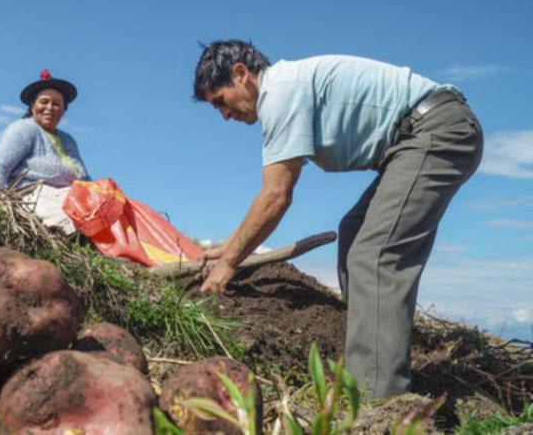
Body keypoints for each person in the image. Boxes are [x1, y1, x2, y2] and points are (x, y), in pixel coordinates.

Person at [193, 40, 483, 398]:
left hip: (436, 132)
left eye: (221, 101)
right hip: (416, 139)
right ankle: (371, 356)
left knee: (375, 255)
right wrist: (231, 245)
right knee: (354, 231)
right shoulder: (285, 87)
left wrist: (228, 263)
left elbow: (276, 196)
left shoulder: (279, 93)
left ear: (241, 74)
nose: (224, 115)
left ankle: (379, 399)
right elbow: (272, 195)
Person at [0, 69, 90, 232]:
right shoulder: (23, 129)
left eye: (56, 104)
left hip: (73, 196)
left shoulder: (68, 140)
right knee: (74, 221)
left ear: (63, 110)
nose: (50, 108)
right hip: (36, 195)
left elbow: (85, 177)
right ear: (32, 106)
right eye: (44, 102)